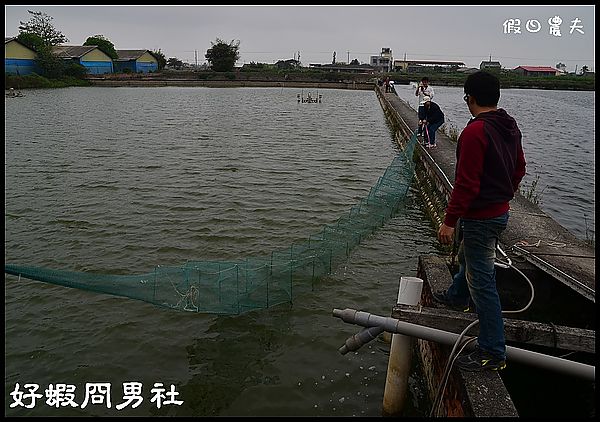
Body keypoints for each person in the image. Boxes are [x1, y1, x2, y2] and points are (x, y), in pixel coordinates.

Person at [434, 71, 526, 372]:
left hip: (480, 217)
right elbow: (520, 167)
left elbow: (466, 184)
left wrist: (449, 221)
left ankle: (492, 351)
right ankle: (456, 297)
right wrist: (504, 194)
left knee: (482, 283)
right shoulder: (508, 124)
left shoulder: (475, 133)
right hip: (499, 212)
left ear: (468, 97)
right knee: (469, 258)